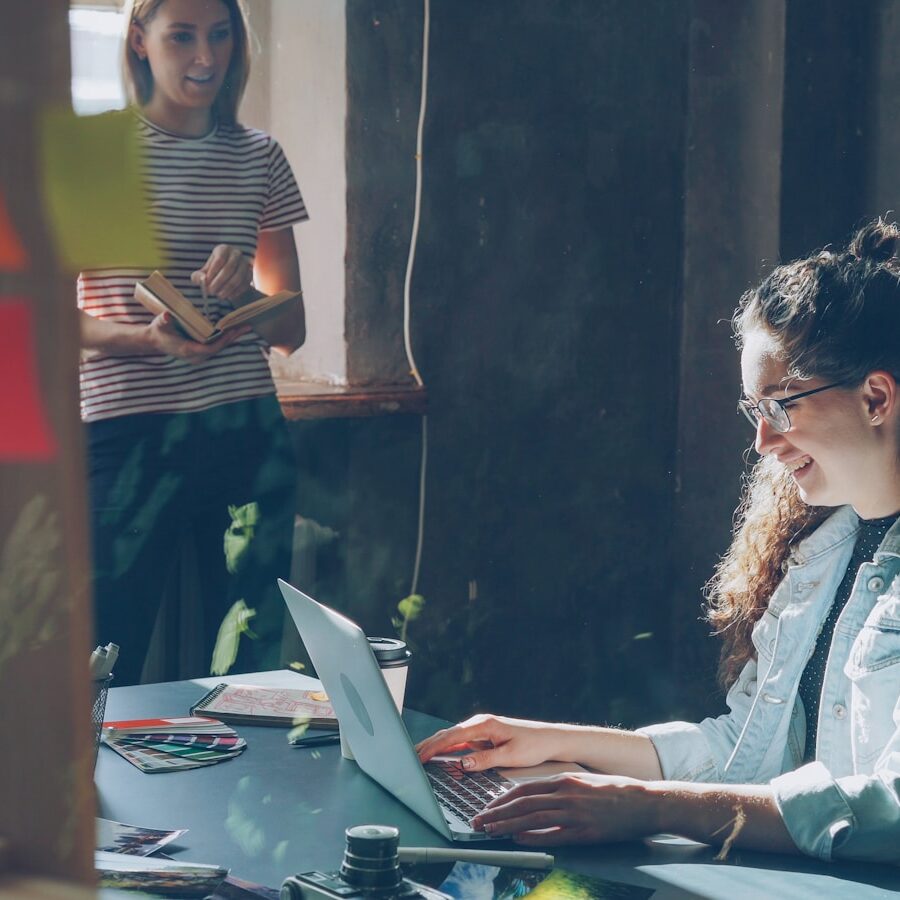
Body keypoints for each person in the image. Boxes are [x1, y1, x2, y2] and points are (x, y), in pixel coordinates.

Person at [417, 219, 900, 863]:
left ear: (875, 398)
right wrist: (555, 742)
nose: (762, 442)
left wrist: (653, 805)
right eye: (753, 411)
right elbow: (744, 751)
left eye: (781, 407)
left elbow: (890, 808)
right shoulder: (824, 550)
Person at [79, 0, 308, 685]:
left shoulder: (259, 155)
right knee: (101, 663)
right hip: (125, 435)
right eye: (182, 36)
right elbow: (52, 323)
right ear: (139, 39)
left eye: (220, 34)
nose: (206, 57)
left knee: (246, 674)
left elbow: (291, 329)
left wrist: (244, 296)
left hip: (245, 434)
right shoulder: (97, 153)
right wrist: (149, 341)